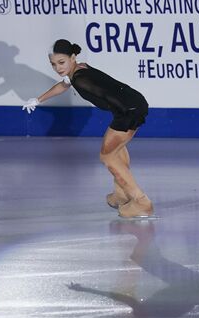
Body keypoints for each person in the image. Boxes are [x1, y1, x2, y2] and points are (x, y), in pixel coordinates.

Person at [22, 39, 153, 218]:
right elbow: (64, 84)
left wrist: (126, 115)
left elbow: (108, 93)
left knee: (108, 156)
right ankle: (122, 194)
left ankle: (141, 202)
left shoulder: (82, 79)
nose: (58, 68)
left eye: (61, 62)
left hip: (128, 110)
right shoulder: (79, 69)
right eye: (53, 64)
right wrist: (38, 100)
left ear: (73, 57)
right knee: (115, 150)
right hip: (131, 105)